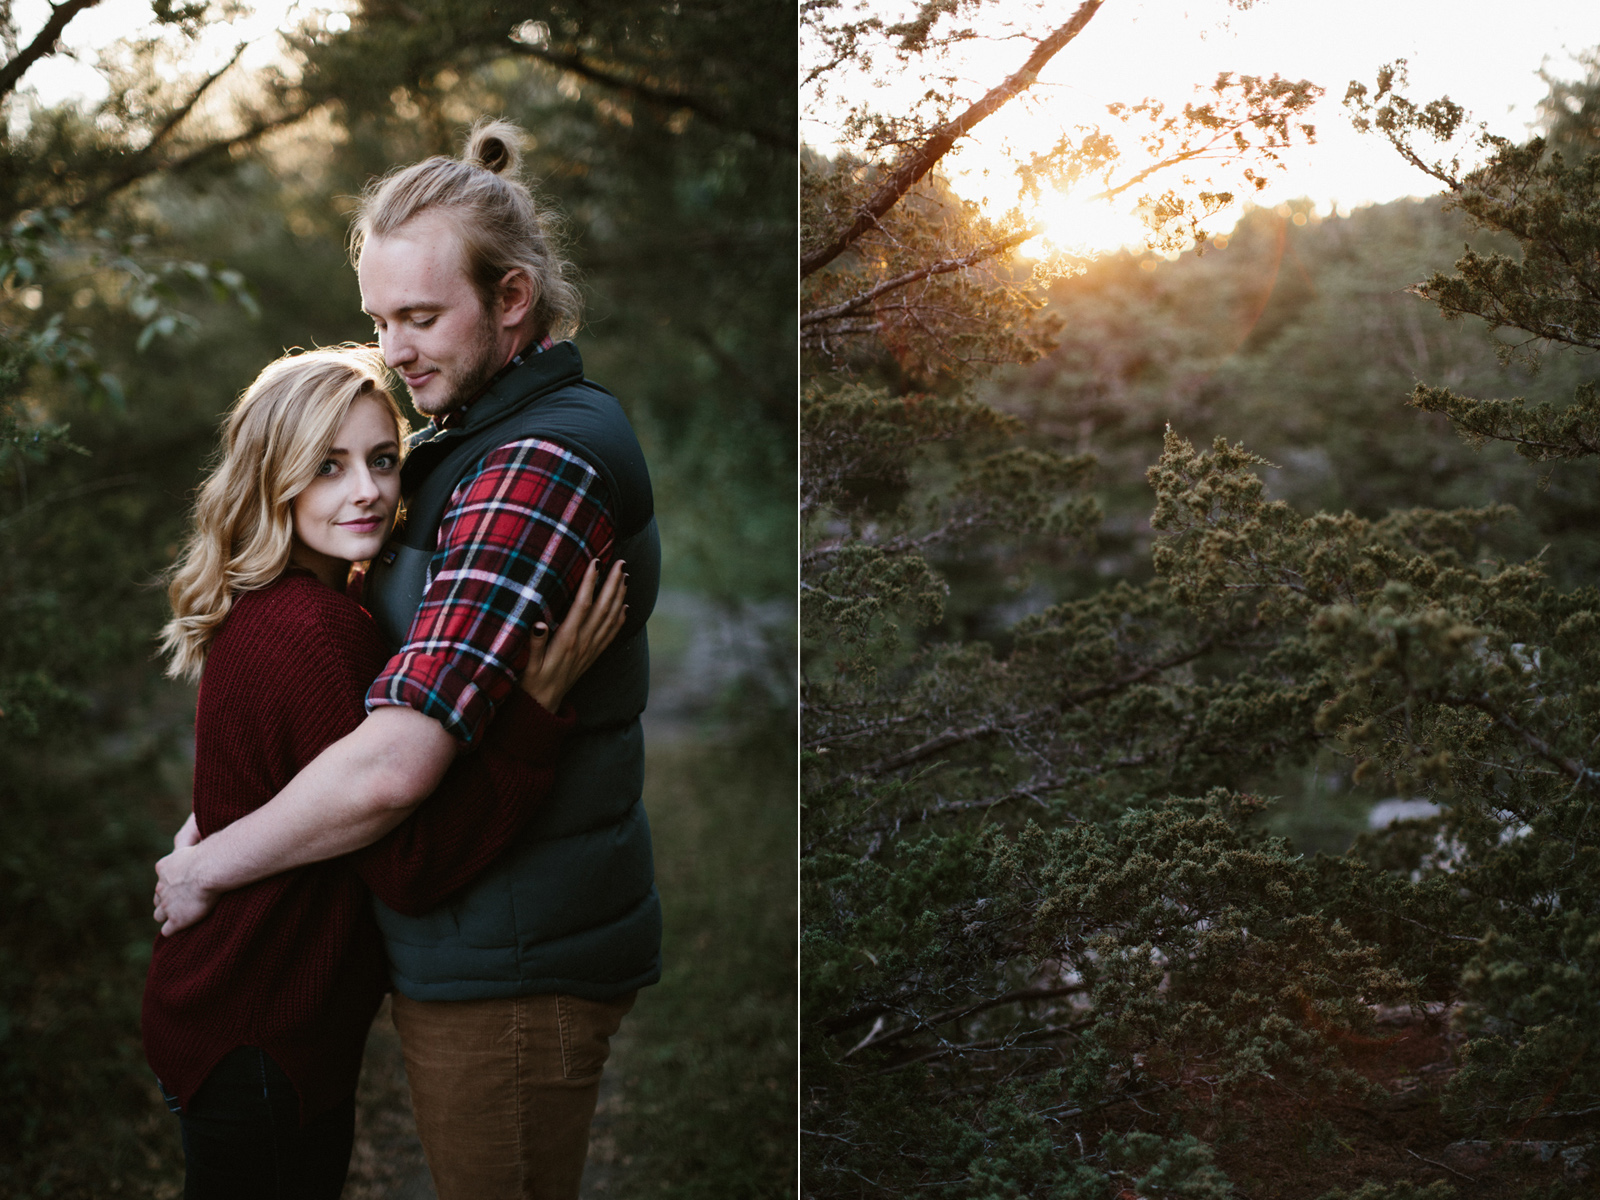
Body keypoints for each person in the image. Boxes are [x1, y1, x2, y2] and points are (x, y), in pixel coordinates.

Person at [153, 118, 661, 1199]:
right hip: (395, 965)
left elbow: (388, 768)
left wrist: (205, 856)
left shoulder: (528, 458)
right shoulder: (457, 438)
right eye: (380, 319)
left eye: (420, 317)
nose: (394, 349)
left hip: (512, 955)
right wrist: (221, 821)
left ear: (512, 299)